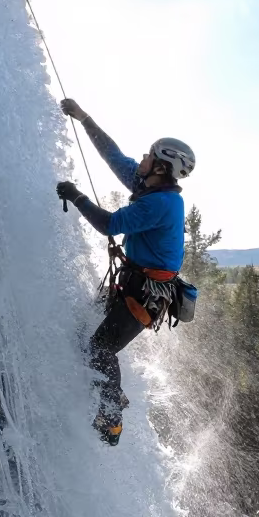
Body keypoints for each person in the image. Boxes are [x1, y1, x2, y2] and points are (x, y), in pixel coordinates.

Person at [55, 98, 195, 445]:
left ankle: (112, 417)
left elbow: (108, 224)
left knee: (100, 348)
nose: (142, 159)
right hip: (133, 286)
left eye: (148, 156)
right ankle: (101, 391)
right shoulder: (149, 188)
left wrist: (77, 196)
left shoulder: (159, 203)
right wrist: (84, 118)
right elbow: (112, 155)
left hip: (144, 295)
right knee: (83, 338)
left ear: (161, 167)